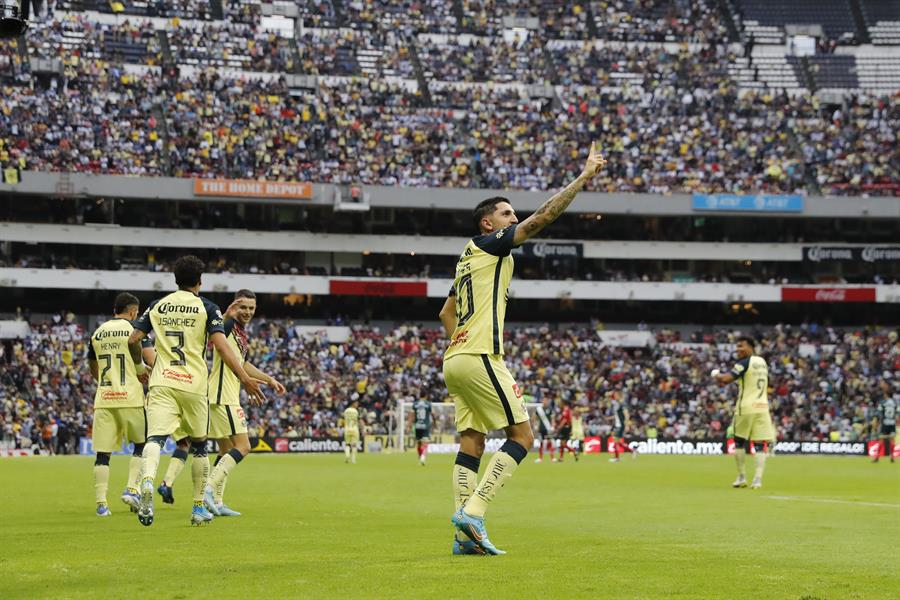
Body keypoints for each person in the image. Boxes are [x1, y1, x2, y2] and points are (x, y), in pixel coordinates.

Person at [440, 142, 606, 555]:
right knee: (523, 435)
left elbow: (446, 312)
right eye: (506, 214)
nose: (513, 219)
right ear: (488, 224)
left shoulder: (466, 258)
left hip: (456, 358)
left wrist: (459, 340)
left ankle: (465, 539)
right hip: (480, 355)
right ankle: (474, 512)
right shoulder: (490, 244)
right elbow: (542, 218)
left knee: (472, 440)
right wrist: (584, 177)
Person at [128, 255, 265, 526]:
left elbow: (134, 338)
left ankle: (147, 483)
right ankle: (198, 507)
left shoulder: (157, 305)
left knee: (155, 439)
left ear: (175, 279)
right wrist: (245, 378)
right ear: (200, 281)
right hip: (193, 385)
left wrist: (140, 366)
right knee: (200, 446)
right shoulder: (207, 307)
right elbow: (221, 346)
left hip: (162, 382)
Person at [203, 290, 285, 516]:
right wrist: (226, 316)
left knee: (225, 450)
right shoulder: (228, 324)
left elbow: (243, 364)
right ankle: (207, 490)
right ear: (235, 307)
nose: (247, 312)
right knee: (244, 446)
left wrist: (269, 379)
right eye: (243, 307)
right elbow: (214, 337)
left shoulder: (240, 332)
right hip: (223, 395)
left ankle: (217, 502)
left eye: (251, 308)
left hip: (223, 395)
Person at [86, 292, 153, 517]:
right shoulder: (135, 330)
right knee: (141, 445)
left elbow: (92, 366)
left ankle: (101, 504)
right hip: (131, 398)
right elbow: (149, 358)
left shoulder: (98, 332)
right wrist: (145, 371)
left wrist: (105, 382)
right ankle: (132, 489)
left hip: (105, 399)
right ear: (133, 311)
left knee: (102, 454)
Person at [712, 336, 774, 489]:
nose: (737, 349)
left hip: (746, 407)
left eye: (741, 346)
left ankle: (742, 477)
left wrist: (716, 375)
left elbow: (726, 379)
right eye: (737, 346)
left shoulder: (744, 363)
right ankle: (757, 479)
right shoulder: (762, 362)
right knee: (760, 445)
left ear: (750, 347)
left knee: (738, 441)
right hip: (762, 407)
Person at [872, 378, 897, 464]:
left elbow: (878, 414)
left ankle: (877, 457)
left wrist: (875, 422)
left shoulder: (883, 403)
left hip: (885, 423)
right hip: (892, 423)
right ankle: (892, 457)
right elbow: (897, 415)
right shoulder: (895, 403)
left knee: (881, 440)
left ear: (886, 395)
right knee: (892, 440)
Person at [609, 394, 635, 462]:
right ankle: (632, 451)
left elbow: (626, 414)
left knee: (615, 441)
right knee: (619, 442)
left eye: (616, 396)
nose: (615, 397)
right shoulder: (617, 405)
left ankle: (617, 458)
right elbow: (617, 416)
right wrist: (609, 418)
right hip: (618, 425)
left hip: (620, 426)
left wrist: (626, 425)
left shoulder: (622, 404)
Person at [412, 397, 432, 466]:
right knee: (425, 443)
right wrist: (435, 422)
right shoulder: (428, 404)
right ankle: (423, 458)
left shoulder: (415, 404)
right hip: (425, 426)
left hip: (417, 426)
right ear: (426, 396)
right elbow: (432, 413)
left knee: (419, 443)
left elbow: (412, 415)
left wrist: (409, 425)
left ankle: (420, 457)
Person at [533, 399, 554, 463]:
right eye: (544, 401)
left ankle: (552, 458)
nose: (545, 402)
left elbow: (552, 418)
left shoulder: (550, 409)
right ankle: (540, 458)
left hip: (548, 429)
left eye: (546, 401)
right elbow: (534, 417)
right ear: (542, 402)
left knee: (550, 442)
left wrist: (553, 426)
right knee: (541, 443)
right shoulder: (539, 409)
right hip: (541, 429)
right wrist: (535, 425)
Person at [343, 399, 362, 464]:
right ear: (353, 403)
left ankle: (347, 455)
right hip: (354, 429)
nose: (357, 405)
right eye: (356, 403)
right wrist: (362, 428)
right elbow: (359, 419)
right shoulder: (356, 411)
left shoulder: (346, 411)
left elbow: (344, 418)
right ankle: (353, 459)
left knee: (347, 444)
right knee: (354, 445)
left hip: (347, 429)